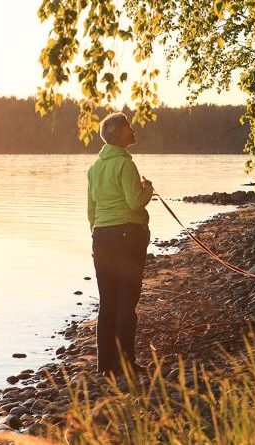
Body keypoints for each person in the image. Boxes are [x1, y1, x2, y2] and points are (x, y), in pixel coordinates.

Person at [87, 112, 153, 375]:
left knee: (107, 303)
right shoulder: (125, 165)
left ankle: (106, 366)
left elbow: (91, 211)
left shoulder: (94, 168)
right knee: (127, 301)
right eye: (128, 127)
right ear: (118, 135)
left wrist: (99, 234)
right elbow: (135, 202)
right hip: (127, 236)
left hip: (101, 236)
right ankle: (125, 364)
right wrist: (147, 188)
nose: (133, 129)